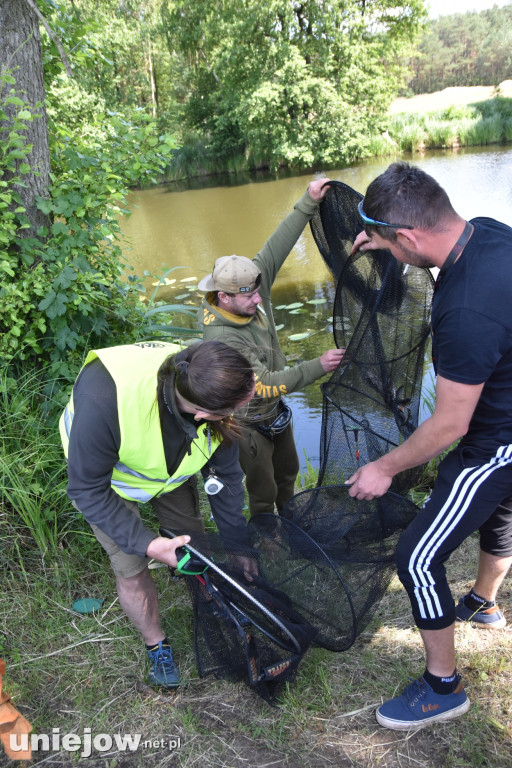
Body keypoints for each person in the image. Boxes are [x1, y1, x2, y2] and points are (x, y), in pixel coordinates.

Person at [347, 162, 512, 730]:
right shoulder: (487, 230)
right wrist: (377, 231)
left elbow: (450, 426)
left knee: (416, 556)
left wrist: (384, 469)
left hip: (498, 441)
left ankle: (444, 686)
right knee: (500, 513)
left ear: (411, 236)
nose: (392, 258)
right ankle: (484, 605)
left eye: (392, 246)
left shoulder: (464, 312)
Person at [59, 340, 255, 688]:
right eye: (234, 409)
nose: (239, 414)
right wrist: (147, 543)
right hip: (109, 485)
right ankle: (156, 644)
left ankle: (211, 602)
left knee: (195, 547)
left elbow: (225, 478)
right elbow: (87, 489)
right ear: (204, 414)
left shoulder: (207, 378)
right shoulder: (104, 400)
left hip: (171, 471)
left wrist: (238, 544)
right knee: (131, 566)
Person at [198, 178, 345, 517]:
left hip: (275, 413)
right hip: (246, 423)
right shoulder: (221, 337)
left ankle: (292, 524)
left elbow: (278, 244)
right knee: (262, 491)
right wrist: (317, 366)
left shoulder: (249, 285)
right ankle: (268, 538)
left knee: (288, 475)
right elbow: (261, 385)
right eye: (248, 296)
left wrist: (308, 201)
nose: (257, 299)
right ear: (223, 297)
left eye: (256, 291)